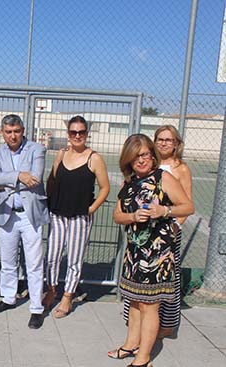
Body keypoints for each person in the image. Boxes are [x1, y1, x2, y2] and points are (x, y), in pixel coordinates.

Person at [108, 134, 193, 367]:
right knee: (134, 301)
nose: (142, 160)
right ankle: (130, 345)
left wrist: (163, 211)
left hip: (157, 255)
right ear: (128, 160)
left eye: (145, 154)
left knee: (149, 305)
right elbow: (117, 216)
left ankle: (143, 359)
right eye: (136, 156)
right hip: (134, 253)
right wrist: (133, 216)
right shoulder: (129, 183)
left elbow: (188, 206)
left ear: (152, 156)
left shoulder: (163, 178)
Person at [43, 115, 110, 318]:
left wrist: (91, 209)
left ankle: (67, 296)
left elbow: (105, 188)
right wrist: (49, 201)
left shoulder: (94, 158)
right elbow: (52, 180)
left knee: (74, 259)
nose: (77, 135)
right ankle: (52, 289)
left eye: (81, 132)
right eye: (73, 132)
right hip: (58, 214)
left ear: (87, 134)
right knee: (52, 257)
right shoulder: (61, 154)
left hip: (80, 217)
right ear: (68, 134)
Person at [0, 114, 49, 329]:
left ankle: (36, 308)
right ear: (3, 133)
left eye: (17, 131)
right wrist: (19, 175)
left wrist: (6, 178)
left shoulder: (36, 149)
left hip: (29, 214)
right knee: (8, 261)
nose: (13, 136)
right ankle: (8, 298)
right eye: (8, 132)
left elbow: (36, 178)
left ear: (23, 130)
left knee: (33, 263)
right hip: (7, 212)